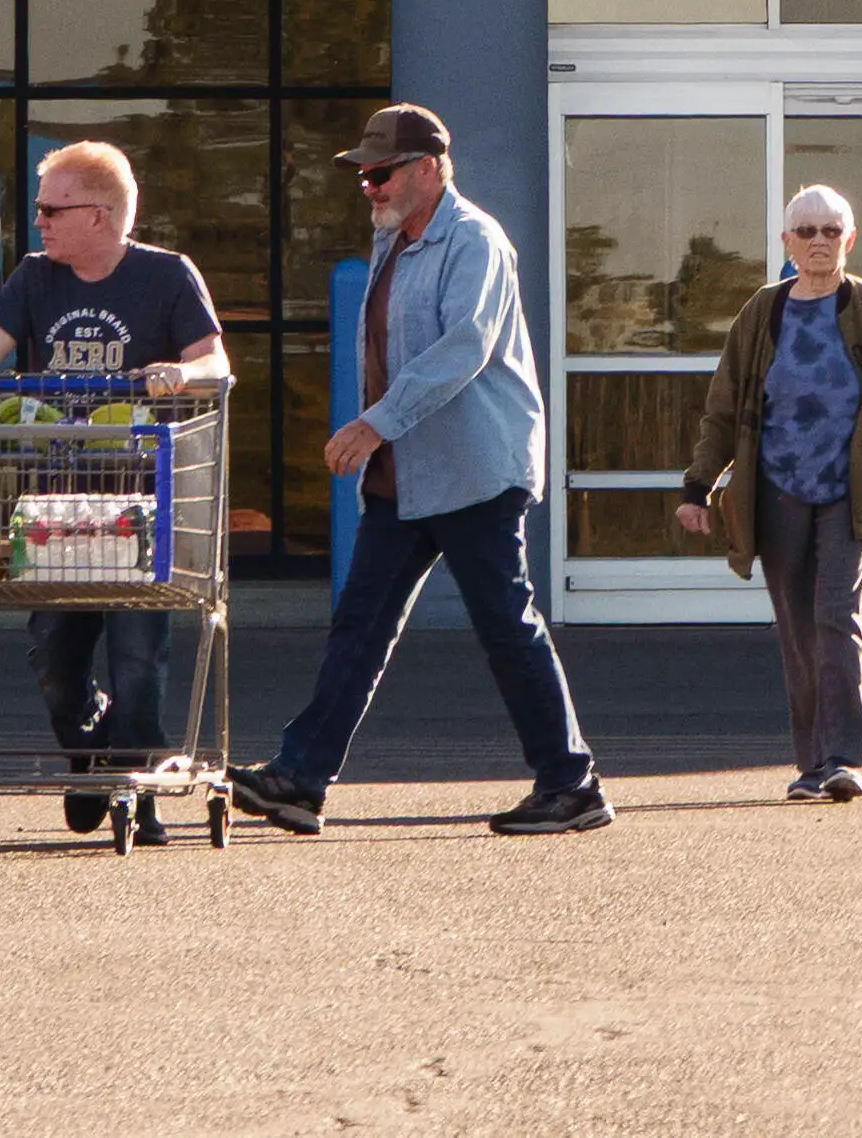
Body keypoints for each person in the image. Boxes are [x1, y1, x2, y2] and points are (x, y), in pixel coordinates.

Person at [229, 105, 610, 837]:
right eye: (363, 176)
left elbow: (463, 346)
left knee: (505, 624)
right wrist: (381, 434)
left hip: (472, 470)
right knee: (360, 624)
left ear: (428, 169)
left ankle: (572, 784)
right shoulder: (392, 242)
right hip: (403, 476)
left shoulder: (474, 240)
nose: (367, 187)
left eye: (379, 173)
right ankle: (300, 778)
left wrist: (376, 423)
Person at [0, 140, 228, 840]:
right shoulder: (36, 278)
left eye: (51, 209)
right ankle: (89, 745)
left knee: (138, 656)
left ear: (99, 216)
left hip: (140, 502)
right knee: (54, 657)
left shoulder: (166, 276)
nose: (38, 221)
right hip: (56, 505)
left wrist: (178, 375)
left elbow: (217, 362)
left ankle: (137, 792)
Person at [679, 183, 862, 800]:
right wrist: (698, 486)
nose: (819, 242)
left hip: (847, 496)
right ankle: (809, 765)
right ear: (787, 242)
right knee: (796, 629)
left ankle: (842, 759)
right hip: (776, 492)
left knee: (836, 616)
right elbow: (723, 410)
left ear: (850, 240)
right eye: (807, 231)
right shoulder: (762, 313)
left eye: (832, 231)